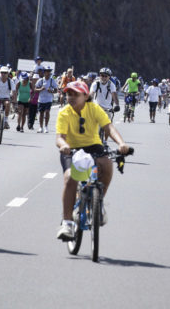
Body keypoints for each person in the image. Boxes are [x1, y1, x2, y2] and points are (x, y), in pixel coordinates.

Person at [55, 81, 131, 241]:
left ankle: (99, 204)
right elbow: (60, 138)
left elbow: (109, 128)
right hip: (71, 148)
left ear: (85, 96)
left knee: (107, 164)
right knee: (70, 178)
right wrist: (64, 146)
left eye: (76, 94)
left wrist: (121, 143)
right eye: (69, 94)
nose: (71, 97)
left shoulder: (94, 109)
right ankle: (67, 223)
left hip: (93, 146)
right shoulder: (64, 112)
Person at [35, 66, 58, 133]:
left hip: (49, 99)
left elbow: (56, 90)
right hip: (41, 99)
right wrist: (40, 89)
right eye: (47, 71)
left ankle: (46, 126)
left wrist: (51, 91)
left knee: (47, 112)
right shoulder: (41, 80)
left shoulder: (52, 81)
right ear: (44, 73)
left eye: (49, 72)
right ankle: (40, 127)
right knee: (41, 113)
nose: (48, 73)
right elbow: (35, 89)